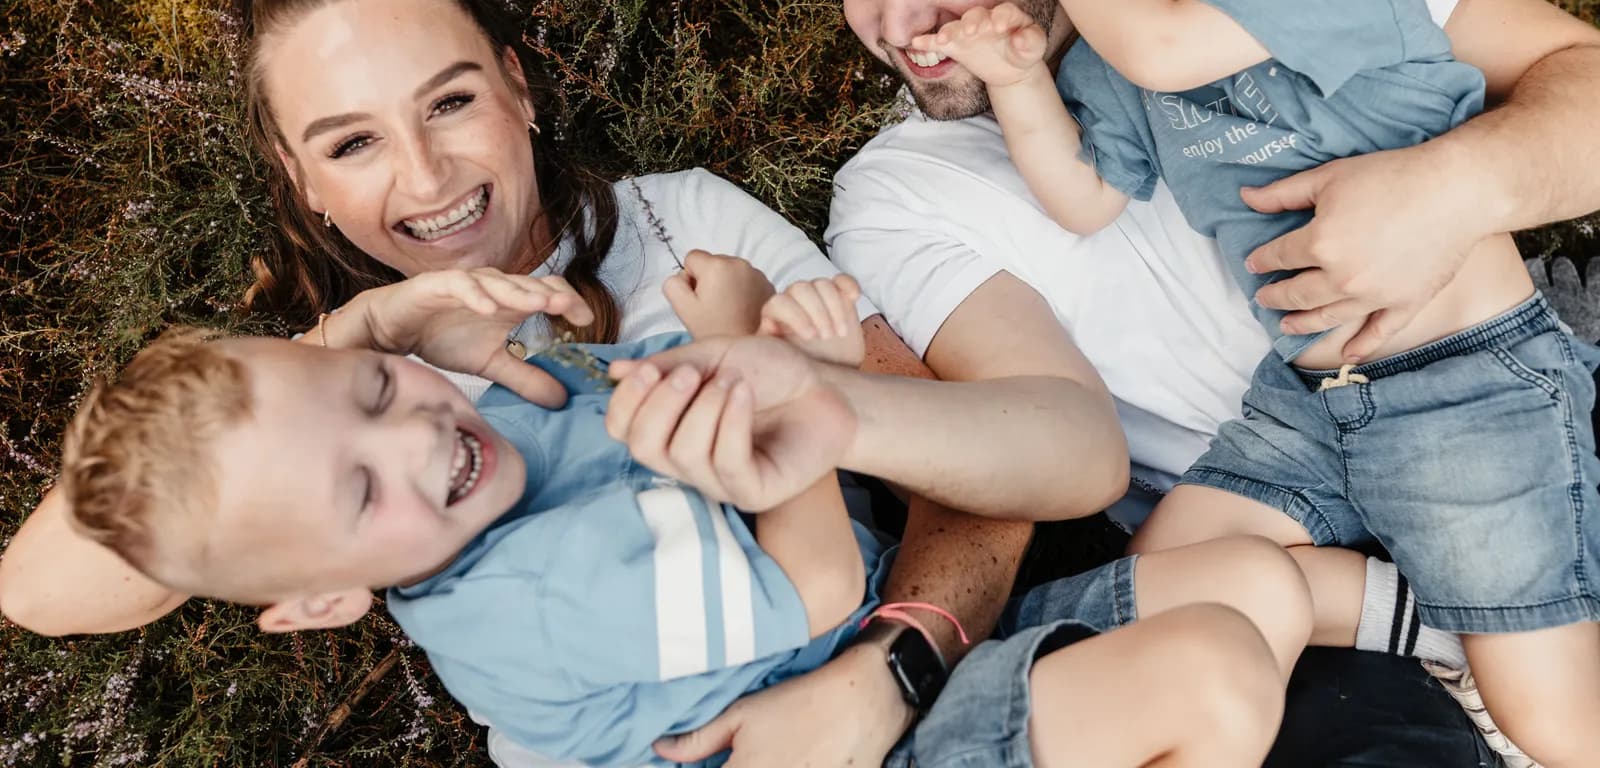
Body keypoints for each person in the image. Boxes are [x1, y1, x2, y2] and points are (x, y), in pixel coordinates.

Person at [0, 0, 1127, 768]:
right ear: (301, 183)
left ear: (518, 89)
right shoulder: (303, 417)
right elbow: (38, 594)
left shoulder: (677, 225)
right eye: (351, 143)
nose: (426, 173)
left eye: (449, 102)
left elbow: (969, 465)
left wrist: (891, 670)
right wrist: (353, 340)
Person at [796, 0, 1600, 767]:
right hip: (1276, 511)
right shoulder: (895, 197)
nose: (902, 22)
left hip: (1479, 369)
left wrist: (1443, 189)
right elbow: (1052, 430)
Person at [60, 267, 1314, 768]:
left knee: (1253, 587)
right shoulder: (516, 606)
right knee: (1207, 672)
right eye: (360, 489)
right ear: (327, 599)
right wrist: (773, 382)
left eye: (379, 391)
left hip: (907, 659)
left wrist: (414, 329)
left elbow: (680, 385)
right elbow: (817, 587)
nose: (416, 438)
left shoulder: (506, 413)